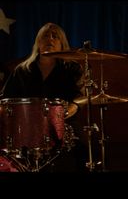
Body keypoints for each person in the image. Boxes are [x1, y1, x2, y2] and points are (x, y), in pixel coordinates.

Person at [0, 22, 86, 172]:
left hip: (64, 123)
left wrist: (71, 109)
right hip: (26, 127)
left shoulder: (72, 68)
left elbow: (80, 97)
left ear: (62, 44)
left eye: (55, 37)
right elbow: (6, 99)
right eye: (45, 36)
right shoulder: (22, 70)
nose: (50, 39)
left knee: (84, 149)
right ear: (38, 42)